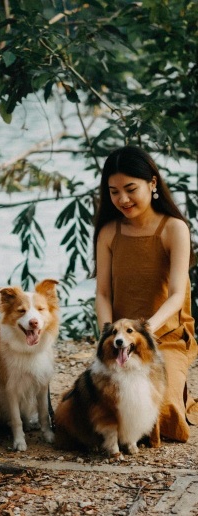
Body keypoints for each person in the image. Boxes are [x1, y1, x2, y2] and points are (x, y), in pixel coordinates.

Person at [93, 145, 198, 443]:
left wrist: (148, 328)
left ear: (152, 183)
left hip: (164, 337)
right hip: (119, 338)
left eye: (130, 189)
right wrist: (106, 334)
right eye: (114, 191)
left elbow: (177, 294)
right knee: (98, 410)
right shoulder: (109, 231)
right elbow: (102, 293)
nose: (122, 199)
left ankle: (181, 397)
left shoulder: (173, 228)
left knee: (160, 417)